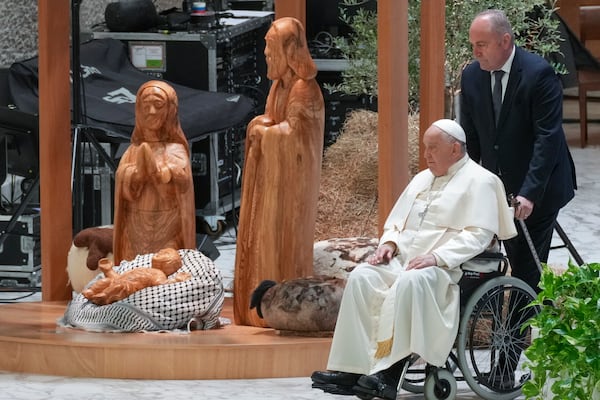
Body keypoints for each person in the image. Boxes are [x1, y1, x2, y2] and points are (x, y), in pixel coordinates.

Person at [311, 119, 517, 399]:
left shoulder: (482, 181)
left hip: (449, 270)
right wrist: (389, 244)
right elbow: (396, 224)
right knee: (362, 276)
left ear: (455, 149)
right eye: (425, 148)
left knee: (412, 280)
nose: (426, 155)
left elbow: (478, 236)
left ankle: (389, 372)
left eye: (433, 148)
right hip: (404, 261)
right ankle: (352, 368)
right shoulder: (422, 179)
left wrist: (436, 257)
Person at [460, 9, 577, 293]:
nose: (476, 52)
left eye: (482, 45)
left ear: (505, 40)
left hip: (540, 185)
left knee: (525, 264)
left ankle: (513, 334)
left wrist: (529, 192)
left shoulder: (539, 74)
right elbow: (472, 137)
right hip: (500, 185)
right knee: (499, 256)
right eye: (473, 45)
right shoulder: (472, 76)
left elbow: (547, 138)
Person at [233, 17, 325, 326]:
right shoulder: (279, 86)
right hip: (272, 182)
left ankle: (281, 308)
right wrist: (261, 125)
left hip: (291, 189)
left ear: (289, 50)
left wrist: (267, 132)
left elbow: (298, 137)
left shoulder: (303, 89)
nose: (266, 56)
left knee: (282, 246)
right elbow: (275, 122)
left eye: (271, 49)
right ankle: (255, 307)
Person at [113, 80, 196, 265]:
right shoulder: (133, 150)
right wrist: (135, 176)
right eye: (145, 106)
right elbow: (121, 179)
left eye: (158, 105)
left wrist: (162, 174)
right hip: (136, 226)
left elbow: (183, 182)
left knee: (166, 268)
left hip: (167, 228)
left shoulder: (175, 149)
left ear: (170, 110)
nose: (151, 112)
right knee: (133, 270)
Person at [82, 247, 190, 305]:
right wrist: (109, 270)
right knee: (106, 282)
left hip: (129, 286)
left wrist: (176, 280)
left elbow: (161, 284)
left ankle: (104, 297)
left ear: (170, 265)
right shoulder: (144, 268)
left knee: (119, 286)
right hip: (120, 280)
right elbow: (118, 278)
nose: (161, 251)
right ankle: (92, 291)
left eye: (165, 253)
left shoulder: (159, 274)